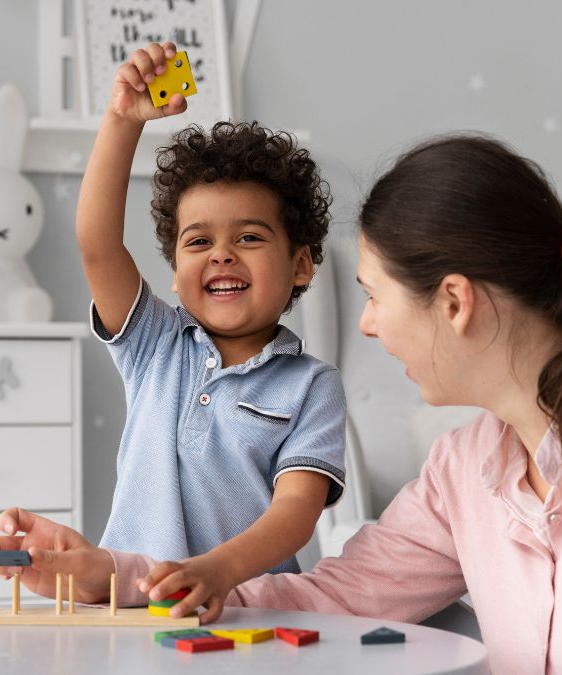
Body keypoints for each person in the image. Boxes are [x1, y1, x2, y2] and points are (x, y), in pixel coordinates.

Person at [0, 134, 562, 673]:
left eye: (374, 296)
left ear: (454, 302)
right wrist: (110, 574)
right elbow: (328, 596)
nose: (366, 325)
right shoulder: (461, 472)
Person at [49, 40, 348, 608]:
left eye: (250, 237)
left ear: (301, 264)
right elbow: (97, 243)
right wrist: (122, 122)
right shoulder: (154, 344)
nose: (222, 254)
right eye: (198, 241)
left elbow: (295, 512)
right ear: (174, 271)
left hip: (245, 610)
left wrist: (214, 572)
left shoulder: (313, 385)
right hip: (131, 603)